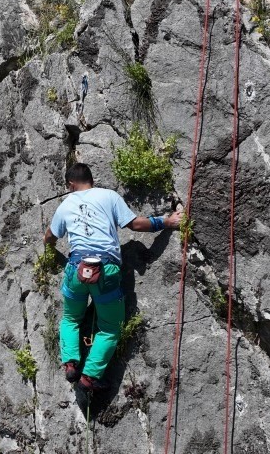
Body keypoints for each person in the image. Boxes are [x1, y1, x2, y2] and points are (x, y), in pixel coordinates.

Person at [43, 163, 180, 391]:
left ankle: (70, 362)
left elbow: (50, 236)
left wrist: (48, 245)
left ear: (70, 184)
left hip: (76, 269)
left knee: (70, 319)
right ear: (91, 179)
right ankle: (89, 377)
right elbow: (135, 224)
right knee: (109, 328)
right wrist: (166, 221)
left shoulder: (65, 205)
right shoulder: (109, 196)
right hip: (105, 271)